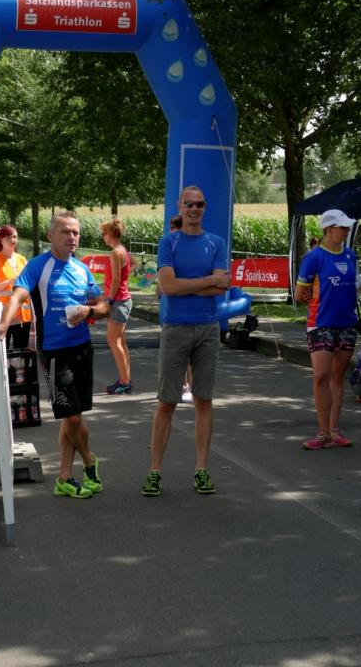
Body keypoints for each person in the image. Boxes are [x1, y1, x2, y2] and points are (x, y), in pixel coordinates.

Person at [0, 211, 109, 498]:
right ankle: (90, 461)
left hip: (82, 348)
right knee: (72, 417)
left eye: (76, 232)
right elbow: (18, 295)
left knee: (71, 415)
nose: (72, 237)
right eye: (65, 232)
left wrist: (89, 310)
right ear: (50, 236)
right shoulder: (38, 266)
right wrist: (4, 323)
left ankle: (63, 478)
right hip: (54, 351)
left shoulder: (82, 269)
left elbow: (104, 306)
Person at [141, 186, 230, 497]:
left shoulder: (216, 243)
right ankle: (155, 471)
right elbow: (168, 286)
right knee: (167, 402)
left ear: (205, 207)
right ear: (179, 206)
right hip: (176, 327)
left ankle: (201, 469)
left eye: (199, 204)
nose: (194, 209)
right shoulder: (169, 242)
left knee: (204, 400)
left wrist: (185, 285)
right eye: (189, 204)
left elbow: (220, 288)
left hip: (208, 328)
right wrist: (207, 280)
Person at [294, 209, 359, 450]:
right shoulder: (314, 257)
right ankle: (322, 433)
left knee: (337, 377)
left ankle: (334, 430)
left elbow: (353, 286)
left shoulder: (350, 255)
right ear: (329, 229)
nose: (347, 230)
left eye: (347, 227)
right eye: (343, 227)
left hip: (346, 323)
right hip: (320, 323)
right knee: (321, 376)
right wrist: (309, 295)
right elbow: (299, 293)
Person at [157, 214, 193, 402]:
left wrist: (169, 286)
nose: (172, 232)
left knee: (187, 353)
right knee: (174, 353)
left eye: (175, 229)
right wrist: (160, 286)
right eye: (171, 228)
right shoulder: (168, 248)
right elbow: (163, 275)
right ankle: (181, 386)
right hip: (173, 310)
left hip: (190, 309)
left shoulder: (190, 251)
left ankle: (188, 386)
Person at [0, 225, 32, 351]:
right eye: (8, 237)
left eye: (14, 237)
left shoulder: (22, 260)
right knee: (3, 354)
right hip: (3, 317)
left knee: (22, 354)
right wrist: (8, 282)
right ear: (1, 240)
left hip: (23, 317)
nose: (12, 240)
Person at [100, 218, 133, 394]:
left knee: (113, 341)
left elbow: (116, 281)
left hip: (118, 301)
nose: (103, 236)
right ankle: (126, 379)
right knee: (120, 341)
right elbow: (132, 264)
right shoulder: (122, 250)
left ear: (111, 234)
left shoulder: (115, 253)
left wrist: (109, 300)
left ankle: (124, 382)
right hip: (123, 300)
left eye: (104, 233)